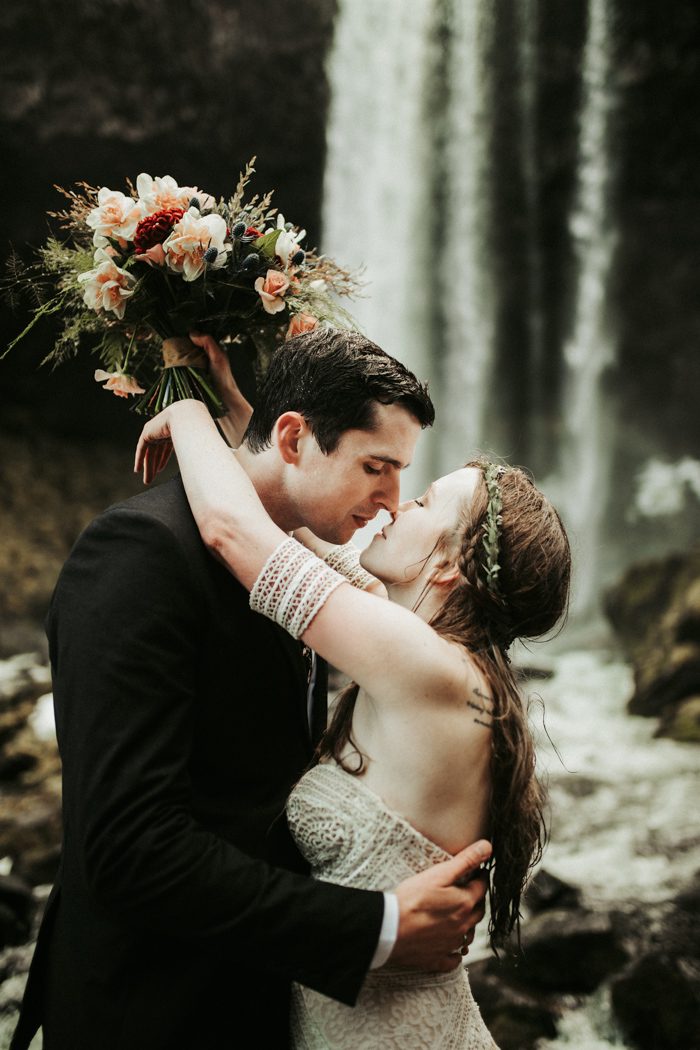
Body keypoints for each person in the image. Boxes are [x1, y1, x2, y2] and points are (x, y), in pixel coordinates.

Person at [11, 328, 491, 1050]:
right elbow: (130, 849)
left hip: (259, 1001)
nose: (392, 502)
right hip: (152, 1011)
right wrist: (375, 929)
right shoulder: (140, 554)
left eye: (406, 480)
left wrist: (209, 412)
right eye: (376, 467)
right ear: (294, 437)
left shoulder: (312, 573)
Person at [132, 358, 572, 1048]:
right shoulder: (422, 648)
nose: (397, 503)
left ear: (450, 565)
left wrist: (185, 415)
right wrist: (223, 391)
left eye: (423, 503)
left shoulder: (426, 667)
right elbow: (290, 507)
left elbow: (238, 534)